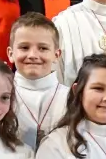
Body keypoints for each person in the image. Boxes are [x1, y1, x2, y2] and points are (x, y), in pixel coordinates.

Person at [7, 13, 64, 150]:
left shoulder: (71, 99)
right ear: (10, 54)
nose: (33, 55)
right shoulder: (1, 96)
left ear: (56, 55)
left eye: (43, 48)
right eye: (24, 47)